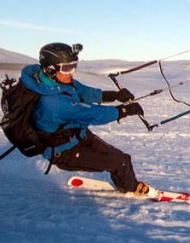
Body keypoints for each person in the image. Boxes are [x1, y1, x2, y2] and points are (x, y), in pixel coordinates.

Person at [20, 42, 150, 195]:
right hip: (63, 151)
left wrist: (114, 95)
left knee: (123, 159)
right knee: (120, 163)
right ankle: (132, 190)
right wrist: (123, 110)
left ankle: (124, 183)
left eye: (74, 66)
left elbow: (83, 92)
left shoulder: (56, 82)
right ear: (50, 69)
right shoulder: (53, 102)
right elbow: (92, 114)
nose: (71, 72)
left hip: (78, 135)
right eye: (67, 68)